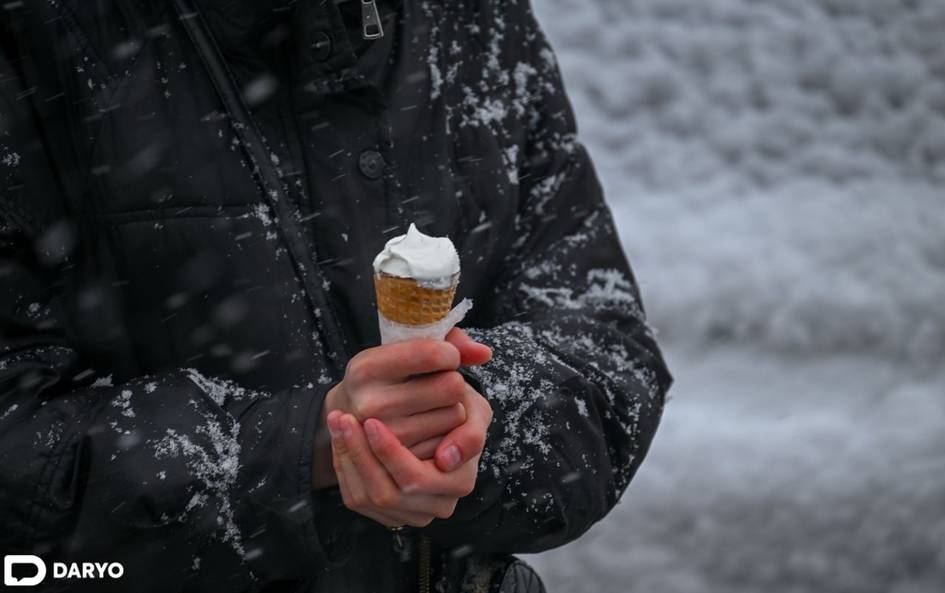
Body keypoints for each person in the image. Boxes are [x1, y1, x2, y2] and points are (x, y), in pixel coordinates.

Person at [0, 0, 672, 591]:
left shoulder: (474, 17)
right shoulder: (34, 34)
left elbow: (604, 343)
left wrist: (462, 427)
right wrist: (300, 452)